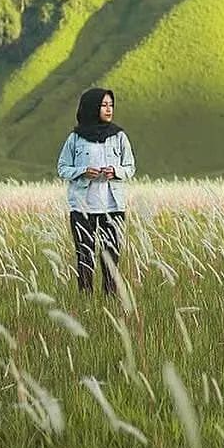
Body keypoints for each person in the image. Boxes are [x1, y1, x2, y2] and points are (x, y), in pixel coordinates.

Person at [56, 87, 136, 297]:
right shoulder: (75, 138)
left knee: (111, 257)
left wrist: (115, 171)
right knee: (84, 255)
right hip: (82, 207)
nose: (109, 109)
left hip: (112, 206)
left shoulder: (119, 136)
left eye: (111, 105)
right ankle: (86, 299)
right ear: (92, 107)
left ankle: (110, 299)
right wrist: (83, 171)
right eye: (103, 105)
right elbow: (62, 168)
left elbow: (130, 167)